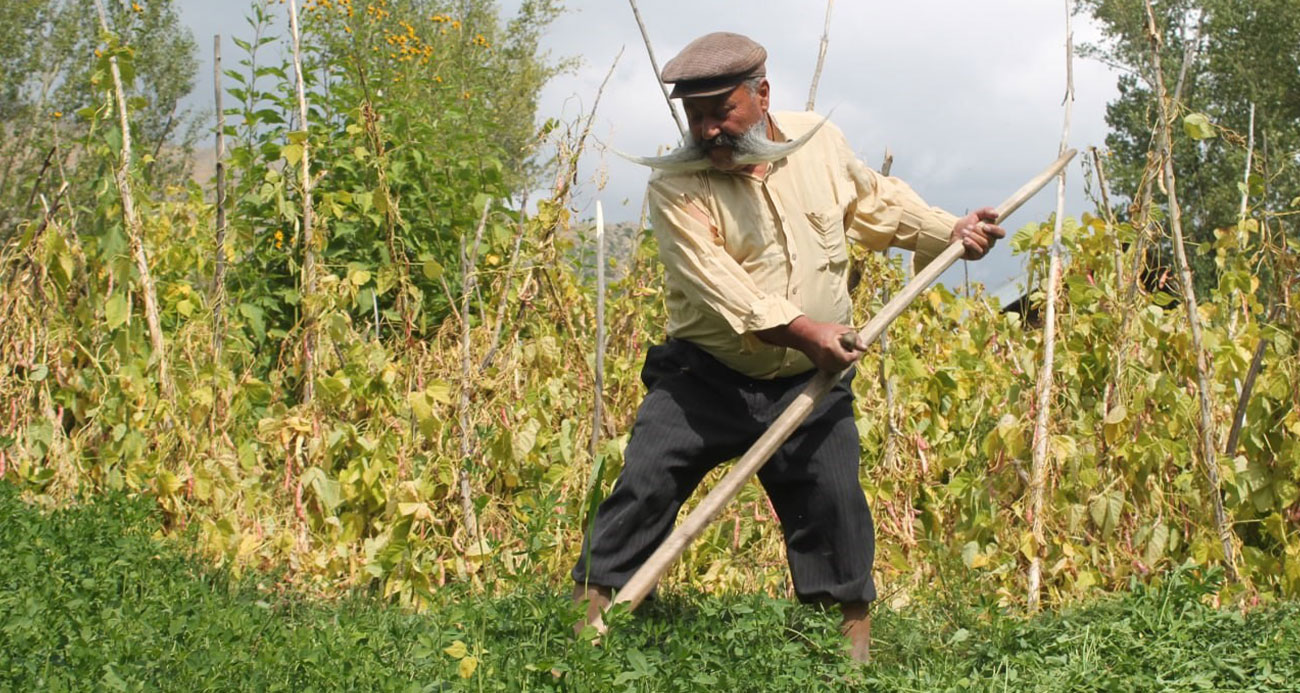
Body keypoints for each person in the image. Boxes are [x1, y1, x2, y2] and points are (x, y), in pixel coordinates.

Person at [571, 31, 1005, 663]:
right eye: (697, 117)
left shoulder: (818, 142)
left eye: (723, 112)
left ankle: (846, 664)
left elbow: (874, 204)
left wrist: (950, 230)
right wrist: (810, 333)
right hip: (706, 376)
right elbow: (729, 292)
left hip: (812, 378)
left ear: (763, 95)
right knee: (644, 484)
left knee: (834, 503)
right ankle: (585, 637)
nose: (710, 130)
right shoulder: (677, 189)